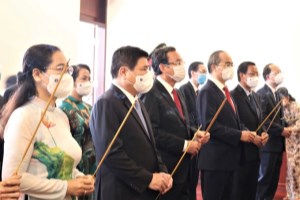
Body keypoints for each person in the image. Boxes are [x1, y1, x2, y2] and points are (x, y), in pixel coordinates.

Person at [1, 44, 94, 200]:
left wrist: (79, 178)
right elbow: (12, 177)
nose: (67, 76)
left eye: (68, 70)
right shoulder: (23, 116)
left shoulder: (60, 115)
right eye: (60, 69)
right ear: (37, 74)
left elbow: (66, 163)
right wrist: (66, 187)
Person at [89, 46, 173, 200]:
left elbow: (150, 144)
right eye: (144, 69)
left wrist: (162, 171)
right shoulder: (106, 103)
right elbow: (111, 154)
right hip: (121, 191)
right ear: (124, 72)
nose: (149, 75)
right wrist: (147, 179)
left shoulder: (137, 101)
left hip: (142, 190)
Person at [140, 46, 209, 200]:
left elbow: (180, 123)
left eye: (181, 62)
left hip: (183, 169)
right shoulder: (151, 92)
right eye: (177, 62)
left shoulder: (177, 92)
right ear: (163, 67)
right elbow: (152, 132)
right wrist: (185, 145)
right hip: (166, 168)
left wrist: (194, 132)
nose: (182, 66)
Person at [196, 50, 255, 200]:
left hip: (230, 159)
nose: (231, 67)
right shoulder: (207, 91)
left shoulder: (225, 91)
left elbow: (235, 121)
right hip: (215, 161)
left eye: (231, 64)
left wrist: (247, 132)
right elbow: (210, 126)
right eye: (227, 64)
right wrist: (240, 135)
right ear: (215, 67)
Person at [230, 61, 269, 200]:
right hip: (241, 154)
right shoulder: (233, 95)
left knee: (252, 192)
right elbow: (236, 122)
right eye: (252, 74)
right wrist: (253, 137)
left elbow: (261, 120)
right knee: (239, 192)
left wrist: (264, 133)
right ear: (242, 75)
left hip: (256, 153)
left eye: (257, 74)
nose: (256, 77)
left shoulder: (256, 96)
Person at [256, 63, 292, 200]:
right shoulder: (262, 94)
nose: (279, 75)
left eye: (280, 72)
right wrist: (282, 130)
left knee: (273, 180)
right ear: (267, 76)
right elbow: (263, 120)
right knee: (264, 179)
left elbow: (279, 118)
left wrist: (288, 127)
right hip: (268, 145)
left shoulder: (277, 93)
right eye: (276, 73)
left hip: (278, 144)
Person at [59, 64, 96, 200]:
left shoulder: (90, 107)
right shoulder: (64, 108)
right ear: (73, 80)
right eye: (83, 78)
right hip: (76, 164)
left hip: (94, 162)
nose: (87, 82)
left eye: (89, 78)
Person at [179, 61, 207, 200]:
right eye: (202, 71)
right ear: (192, 73)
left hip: (200, 140)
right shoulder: (183, 90)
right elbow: (186, 116)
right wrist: (195, 131)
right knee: (188, 182)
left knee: (194, 180)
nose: (204, 75)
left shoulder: (201, 91)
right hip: (190, 139)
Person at [277, 87, 300, 200]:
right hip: (289, 143)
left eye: (282, 98)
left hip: (297, 143)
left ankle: (296, 195)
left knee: (296, 169)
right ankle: (290, 194)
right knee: (289, 169)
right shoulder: (281, 108)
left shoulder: (296, 107)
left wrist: (288, 130)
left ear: (287, 96)